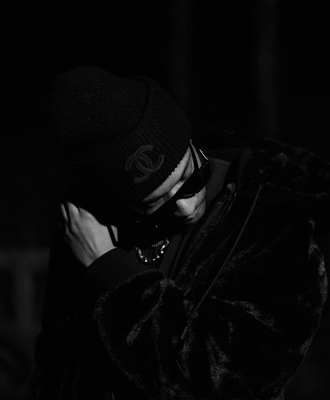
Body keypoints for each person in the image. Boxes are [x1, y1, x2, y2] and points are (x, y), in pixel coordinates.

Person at [28, 66, 330, 400]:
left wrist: (109, 269)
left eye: (190, 177)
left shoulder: (273, 223)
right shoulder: (85, 227)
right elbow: (55, 364)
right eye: (155, 204)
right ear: (118, 202)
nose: (186, 207)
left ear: (192, 144)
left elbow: (231, 384)